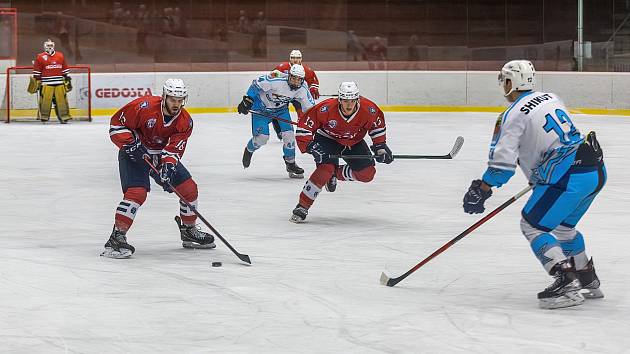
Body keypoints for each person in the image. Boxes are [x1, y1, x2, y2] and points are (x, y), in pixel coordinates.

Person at [462, 60, 606, 309]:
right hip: (593, 169)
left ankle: (566, 282)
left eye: (504, 80)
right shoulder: (550, 97)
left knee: (532, 226)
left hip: (566, 176)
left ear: (510, 82)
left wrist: (483, 188)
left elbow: (502, 165)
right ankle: (585, 276)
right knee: (563, 228)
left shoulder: (511, 115)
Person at [102, 79, 216, 258]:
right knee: (136, 193)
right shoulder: (143, 106)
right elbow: (116, 125)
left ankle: (188, 230)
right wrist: (131, 146)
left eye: (180, 100)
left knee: (189, 189)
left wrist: (169, 166)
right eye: (173, 100)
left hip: (159, 156)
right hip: (134, 153)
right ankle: (117, 237)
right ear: (164, 97)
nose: (177, 104)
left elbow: (175, 147)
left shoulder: (185, 121)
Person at [290, 81, 393, 222]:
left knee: (367, 174)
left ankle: (335, 173)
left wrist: (380, 148)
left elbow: (377, 128)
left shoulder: (369, 110)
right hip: (327, 139)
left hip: (354, 142)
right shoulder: (325, 108)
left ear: (357, 99)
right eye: (345, 100)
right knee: (325, 169)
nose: (349, 104)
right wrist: (311, 146)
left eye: (352, 100)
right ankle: (303, 205)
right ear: (340, 99)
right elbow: (304, 127)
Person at [237, 64, 315, 178]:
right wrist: (248, 100)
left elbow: (310, 108)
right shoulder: (276, 79)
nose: (295, 82)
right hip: (261, 109)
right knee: (262, 138)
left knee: (289, 136)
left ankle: (290, 163)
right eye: (293, 78)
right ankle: (249, 149)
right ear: (289, 75)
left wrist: (316, 121)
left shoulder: (303, 88)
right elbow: (256, 84)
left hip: (281, 110)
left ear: (302, 80)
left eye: (299, 80)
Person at [271, 49, 320, 140]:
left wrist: (313, 89)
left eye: (297, 58)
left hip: (297, 94)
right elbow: (272, 76)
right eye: (293, 58)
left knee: (302, 112)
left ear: (301, 59)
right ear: (290, 58)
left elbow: (313, 81)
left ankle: (302, 129)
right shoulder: (282, 67)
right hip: (283, 94)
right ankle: (279, 130)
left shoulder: (307, 70)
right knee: (276, 111)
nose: (295, 60)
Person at [31, 39, 72, 123]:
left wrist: (67, 79)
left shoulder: (60, 55)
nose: (50, 47)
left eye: (51, 45)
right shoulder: (40, 57)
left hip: (59, 83)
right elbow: (37, 72)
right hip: (46, 84)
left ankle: (64, 117)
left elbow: (65, 70)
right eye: (48, 46)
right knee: (45, 102)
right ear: (44, 46)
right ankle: (44, 117)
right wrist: (37, 81)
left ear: (54, 46)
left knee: (62, 101)